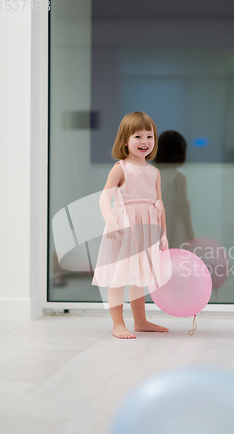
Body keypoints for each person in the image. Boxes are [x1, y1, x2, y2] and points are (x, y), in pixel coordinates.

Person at [92, 111, 169, 339]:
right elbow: (104, 198)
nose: (145, 142)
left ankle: (141, 321)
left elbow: (159, 205)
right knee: (118, 278)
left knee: (140, 277)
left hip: (146, 230)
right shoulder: (121, 168)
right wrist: (111, 222)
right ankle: (117, 324)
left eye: (150, 136)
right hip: (123, 229)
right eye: (138, 136)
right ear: (125, 140)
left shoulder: (154, 172)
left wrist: (163, 234)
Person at [155, 130, 194, 249]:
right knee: (174, 252)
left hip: (155, 218)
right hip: (172, 219)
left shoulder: (152, 173)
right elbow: (183, 204)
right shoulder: (178, 177)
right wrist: (189, 229)